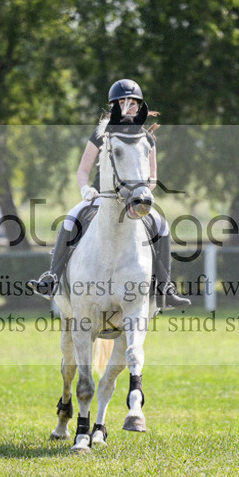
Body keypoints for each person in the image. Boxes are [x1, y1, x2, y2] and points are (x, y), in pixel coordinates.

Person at [30, 79, 190, 309]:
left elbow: (153, 177)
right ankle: (52, 278)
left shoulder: (146, 138)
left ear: (139, 106)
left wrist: (143, 192)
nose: (128, 107)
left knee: (162, 226)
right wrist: (86, 190)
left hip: (134, 198)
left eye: (133, 103)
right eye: (122, 102)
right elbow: (83, 170)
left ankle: (165, 287)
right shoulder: (101, 133)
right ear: (114, 105)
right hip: (100, 196)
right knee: (71, 219)